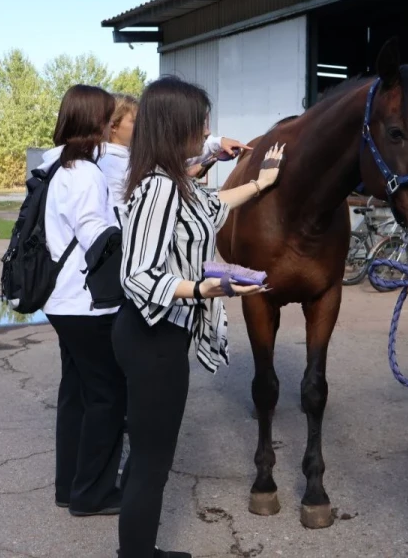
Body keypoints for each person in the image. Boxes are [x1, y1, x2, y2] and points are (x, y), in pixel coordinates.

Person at [113, 76, 285, 558]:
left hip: (160, 335)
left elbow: (211, 205)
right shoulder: (160, 188)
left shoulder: (175, 183)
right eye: (201, 122)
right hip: (152, 338)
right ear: (178, 126)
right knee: (151, 461)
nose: (207, 129)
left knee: (149, 455)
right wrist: (202, 287)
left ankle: (140, 550)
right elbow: (138, 275)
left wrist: (258, 183)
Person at [38, 85, 126, 517]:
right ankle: (93, 493)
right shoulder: (87, 174)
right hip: (87, 304)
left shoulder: (55, 165)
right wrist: (132, 246)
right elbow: (96, 233)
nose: (112, 126)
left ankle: (69, 486)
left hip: (59, 300)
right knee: (107, 396)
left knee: (75, 393)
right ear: (95, 122)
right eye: (109, 119)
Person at [98, 93, 252, 213]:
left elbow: (177, 158)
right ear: (113, 126)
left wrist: (217, 144)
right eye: (134, 121)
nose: (141, 126)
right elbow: (120, 212)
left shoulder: (129, 156)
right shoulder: (110, 163)